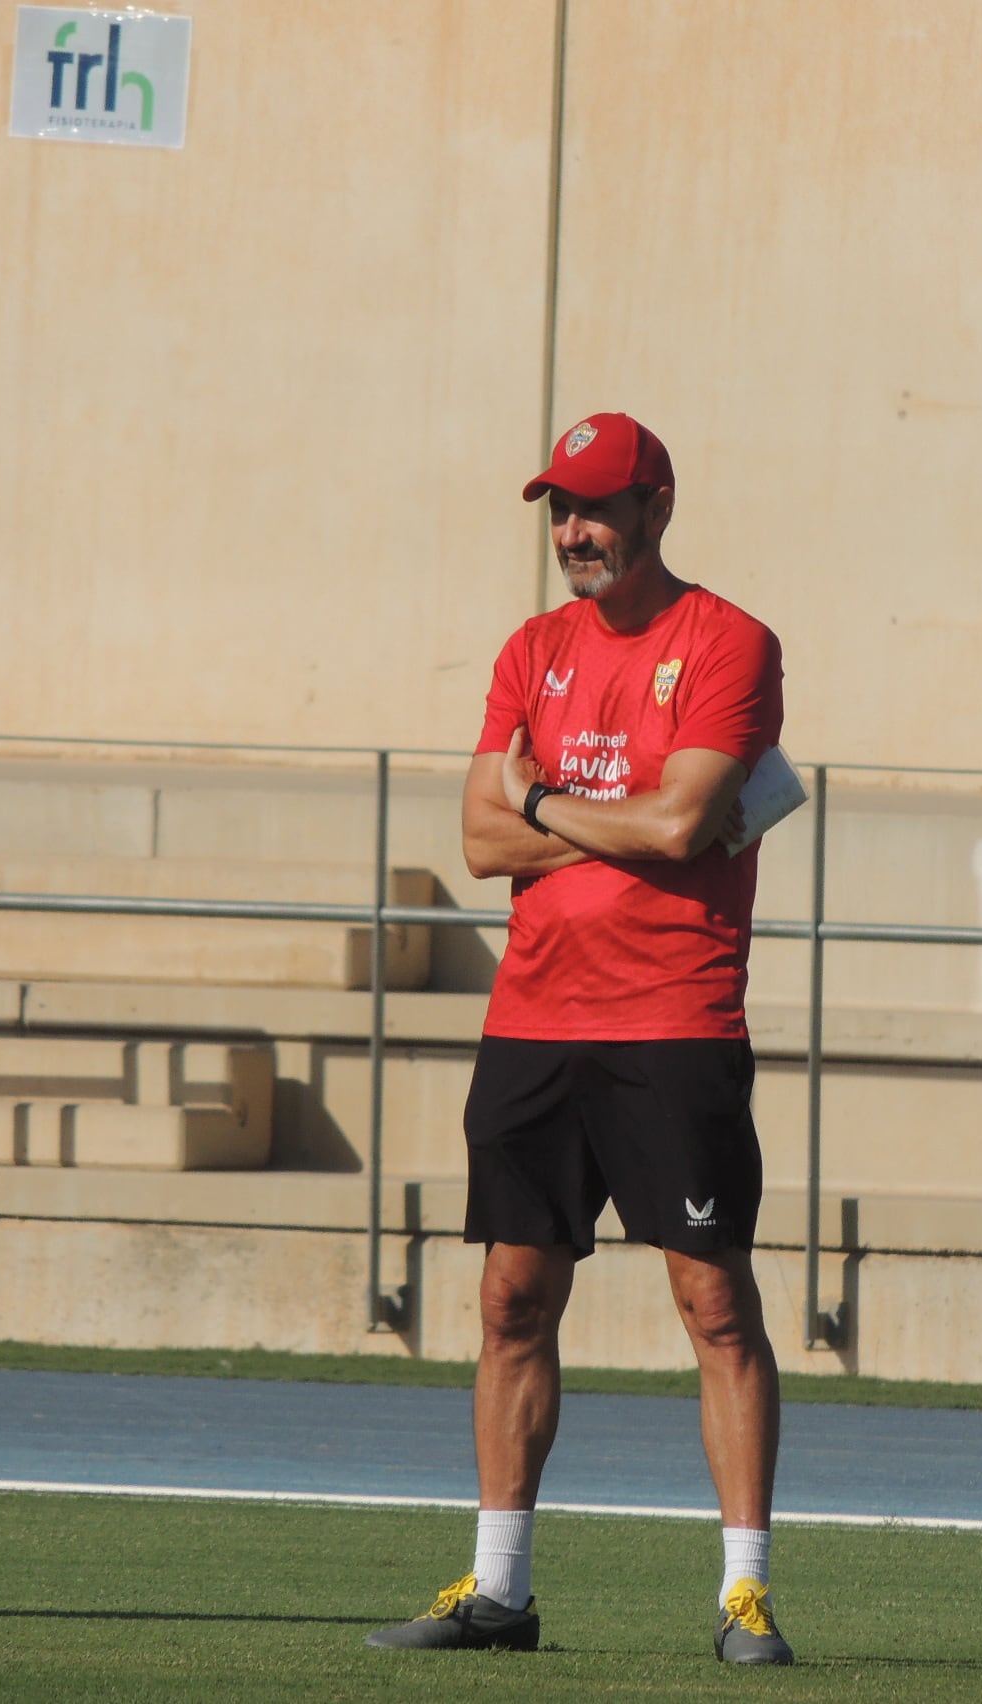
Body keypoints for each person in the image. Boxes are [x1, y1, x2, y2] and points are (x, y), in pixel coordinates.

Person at [366, 412, 793, 1666]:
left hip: (674, 1018)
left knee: (712, 1302)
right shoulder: (530, 650)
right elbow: (484, 845)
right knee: (511, 1298)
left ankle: (745, 1597)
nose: (573, 533)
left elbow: (675, 829)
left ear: (657, 506)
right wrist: (622, 815)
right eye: (559, 508)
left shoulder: (730, 642)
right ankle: (500, 1592)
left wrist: (547, 794)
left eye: (597, 508)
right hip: (534, 1019)